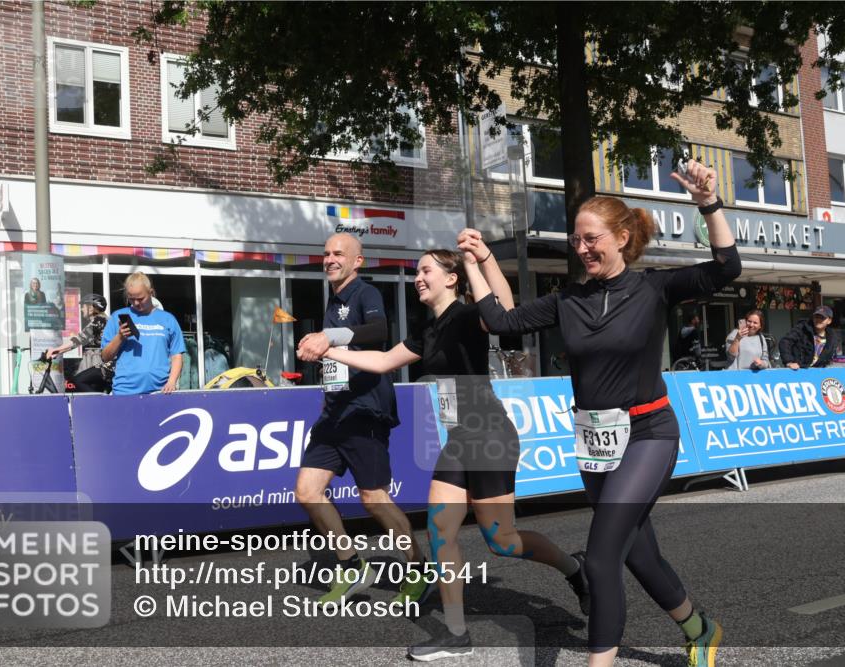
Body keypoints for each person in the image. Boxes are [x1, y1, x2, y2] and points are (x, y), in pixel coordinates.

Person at [461, 160, 738, 667]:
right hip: (594, 444)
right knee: (638, 553)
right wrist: (479, 262)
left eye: (592, 239)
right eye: (576, 241)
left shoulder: (654, 289)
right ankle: (700, 629)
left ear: (622, 236)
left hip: (649, 433)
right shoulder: (568, 300)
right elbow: (501, 321)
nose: (583, 249)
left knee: (604, 554)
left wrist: (707, 203)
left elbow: (726, 268)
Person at [312, 248, 590, 660]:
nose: (417, 278)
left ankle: (575, 569)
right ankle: (457, 635)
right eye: (417, 272)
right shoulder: (430, 329)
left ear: (451, 278)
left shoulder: (467, 317)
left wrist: (484, 258)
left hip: (491, 435)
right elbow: (385, 359)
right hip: (459, 439)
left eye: (425, 271)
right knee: (441, 530)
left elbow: (505, 307)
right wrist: (328, 350)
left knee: (503, 541)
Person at [293, 233, 428, 608]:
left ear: (358, 261)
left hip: (366, 409)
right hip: (334, 413)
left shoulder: (365, 293)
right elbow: (338, 354)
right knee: (306, 491)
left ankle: (418, 569)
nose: (330, 259)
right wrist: (317, 351)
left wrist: (327, 338)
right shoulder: (333, 300)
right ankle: (351, 565)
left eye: (339, 253)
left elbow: (379, 333)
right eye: (325, 253)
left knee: (373, 498)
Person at [101, 272, 184, 395]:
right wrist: (120, 337)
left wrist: (172, 381)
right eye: (131, 299)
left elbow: (177, 355)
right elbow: (105, 357)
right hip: (124, 391)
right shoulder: (117, 317)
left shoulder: (168, 319)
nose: (136, 303)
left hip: (160, 391)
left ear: (151, 293)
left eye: (140, 298)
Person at [48, 293, 114, 392]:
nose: (81, 309)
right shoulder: (103, 320)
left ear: (91, 308)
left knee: (78, 381)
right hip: (101, 363)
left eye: (83, 306)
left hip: (102, 364)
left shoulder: (99, 320)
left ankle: (98, 403)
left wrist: (55, 349)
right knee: (93, 388)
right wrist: (58, 352)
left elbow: (78, 339)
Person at [779, 305, 839, 370]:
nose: (818, 319)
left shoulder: (832, 337)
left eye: (822, 317)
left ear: (829, 321)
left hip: (817, 373)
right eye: (816, 317)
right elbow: (785, 342)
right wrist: (789, 362)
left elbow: (828, 357)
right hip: (798, 370)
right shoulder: (802, 328)